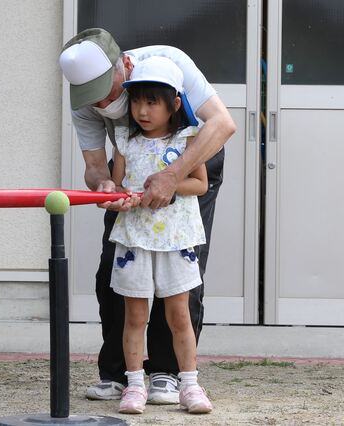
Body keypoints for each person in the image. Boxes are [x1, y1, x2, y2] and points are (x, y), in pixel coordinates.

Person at [59, 28, 235, 403]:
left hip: (190, 159)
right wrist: (105, 185)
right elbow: (95, 167)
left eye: (109, 92)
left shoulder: (169, 62)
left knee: (179, 276)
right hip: (132, 171)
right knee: (115, 270)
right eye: (94, 99)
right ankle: (120, 373)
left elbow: (222, 124)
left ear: (124, 66)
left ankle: (168, 373)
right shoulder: (84, 100)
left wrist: (173, 176)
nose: (104, 103)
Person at [109, 56, 212, 414]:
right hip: (134, 239)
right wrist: (116, 196)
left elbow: (201, 184)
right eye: (137, 101)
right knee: (135, 317)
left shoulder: (188, 139)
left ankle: (190, 385)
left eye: (152, 102)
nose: (142, 110)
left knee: (179, 316)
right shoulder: (124, 139)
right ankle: (134, 385)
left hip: (176, 238)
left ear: (175, 104)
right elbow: (117, 187)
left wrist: (169, 184)